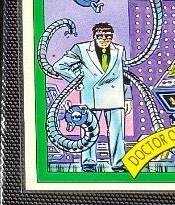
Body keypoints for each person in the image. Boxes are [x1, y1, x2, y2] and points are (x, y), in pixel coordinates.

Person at [50, 20, 127, 171]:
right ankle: (89, 162)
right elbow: (59, 66)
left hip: (115, 96)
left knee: (117, 132)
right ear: (94, 36)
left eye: (108, 36)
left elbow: (125, 74)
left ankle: (118, 163)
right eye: (100, 36)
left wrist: (128, 97)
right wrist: (75, 80)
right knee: (89, 131)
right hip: (91, 96)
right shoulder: (81, 49)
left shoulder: (120, 50)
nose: (104, 39)